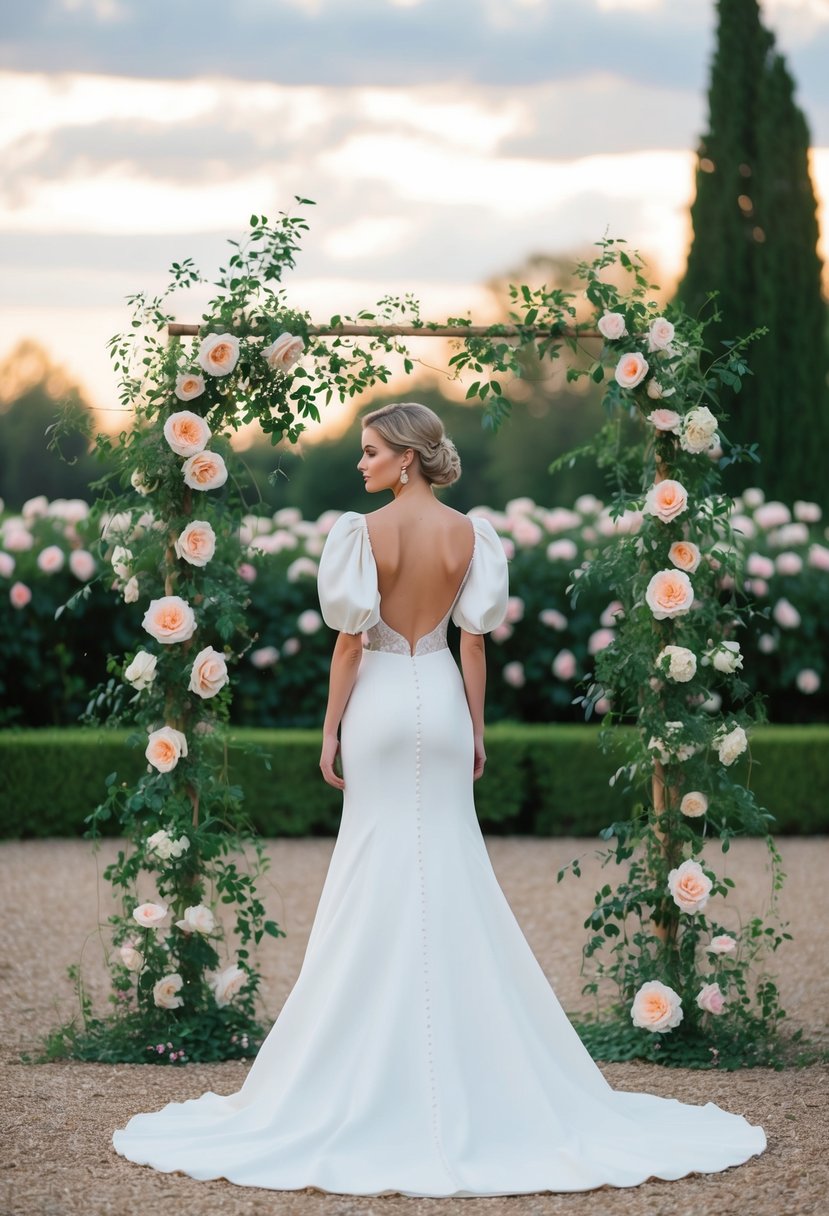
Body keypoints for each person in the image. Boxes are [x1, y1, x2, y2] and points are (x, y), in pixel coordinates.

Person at [112, 401, 766, 1197]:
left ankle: (365, 1061)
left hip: (383, 703)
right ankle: (473, 1063)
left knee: (371, 872)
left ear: (407, 459)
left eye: (371, 451)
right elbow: (474, 639)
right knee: (452, 872)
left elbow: (351, 640)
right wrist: (476, 728)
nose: (361, 464)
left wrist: (328, 732)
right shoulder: (470, 535)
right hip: (445, 702)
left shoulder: (361, 535)